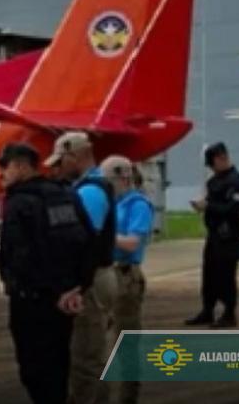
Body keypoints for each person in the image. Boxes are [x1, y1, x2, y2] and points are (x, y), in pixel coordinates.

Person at [0, 142, 93, 404]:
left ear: (21, 167)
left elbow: (21, 256)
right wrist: (76, 288)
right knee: (58, 365)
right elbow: (87, 242)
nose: (0, 173)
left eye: (4, 166)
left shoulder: (20, 203)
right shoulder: (66, 195)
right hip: (64, 300)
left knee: (34, 369)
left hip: (32, 300)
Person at [47, 131, 116, 404]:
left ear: (75, 156)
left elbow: (84, 242)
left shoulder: (89, 192)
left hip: (91, 280)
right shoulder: (92, 187)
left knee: (85, 358)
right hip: (97, 276)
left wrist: (75, 283)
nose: (57, 168)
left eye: (61, 161)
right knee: (92, 354)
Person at [104, 156, 153, 404]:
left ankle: (128, 397)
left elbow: (133, 242)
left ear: (123, 179)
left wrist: (104, 236)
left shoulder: (138, 205)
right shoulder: (113, 204)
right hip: (107, 273)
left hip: (125, 275)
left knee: (126, 341)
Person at [185, 142, 239, 328]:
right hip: (214, 235)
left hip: (229, 236)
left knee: (226, 275)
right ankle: (208, 310)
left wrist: (208, 206)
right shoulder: (214, 181)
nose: (212, 169)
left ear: (221, 158)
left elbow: (234, 208)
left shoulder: (236, 181)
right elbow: (212, 201)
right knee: (209, 274)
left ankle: (229, 313)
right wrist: (203, 205)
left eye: (213, 164)